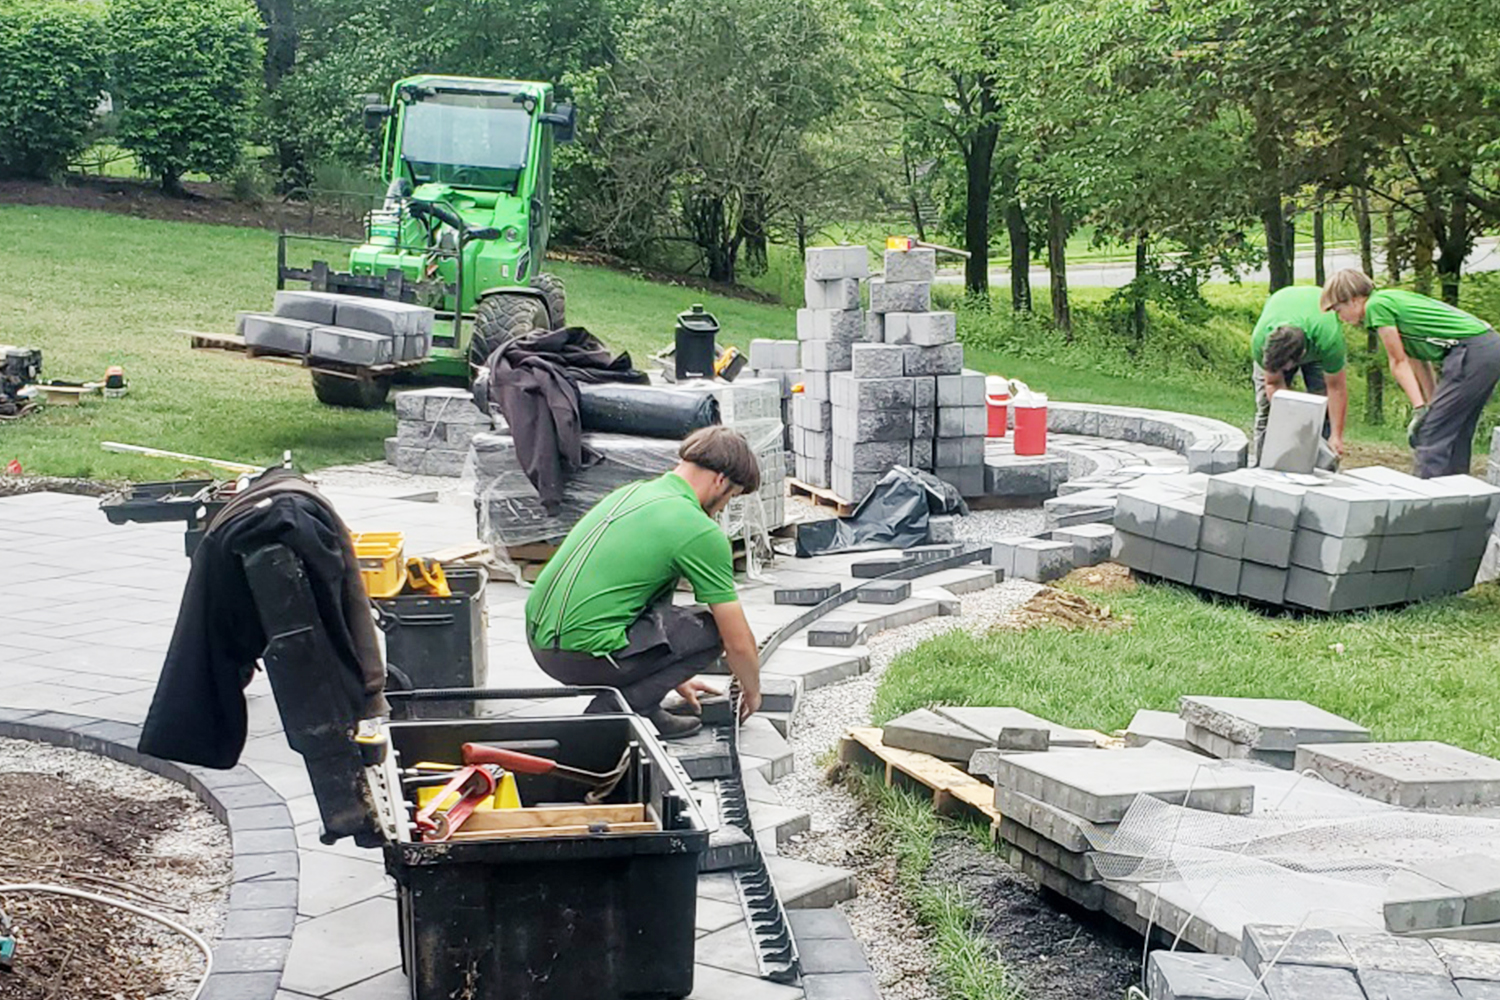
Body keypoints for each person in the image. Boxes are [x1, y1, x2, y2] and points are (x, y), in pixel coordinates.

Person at [524, 425, 763, 739]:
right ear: (720, 480)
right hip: (582, 657)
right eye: (731, 497)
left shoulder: (634, 493)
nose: (723, 508)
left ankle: (647, 706)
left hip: (541, 642)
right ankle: (615, 713)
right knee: (712, 628)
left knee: (667, 609)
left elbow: (645, 600)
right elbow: (738, 641)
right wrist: (753, 691)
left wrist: (668, 677)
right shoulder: (696, 528)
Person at [1321, 268, 1500, 478]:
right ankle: (1457, 496)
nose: (1340, 317)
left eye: (1338, 309)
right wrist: (1428, 404)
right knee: (1453, 431)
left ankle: (1425, 503)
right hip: (1486, 348)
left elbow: (1398, 362)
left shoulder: (1376, 307)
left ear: (1353, 300)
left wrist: (1420, 410)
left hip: (1472, 352)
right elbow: (1418, 360)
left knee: (1430, 434)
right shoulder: (1390, 299)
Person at [1251, 284, 1349, 462]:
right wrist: (1294, 420)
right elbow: (1272, 384)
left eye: (1287, 366)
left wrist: (1336, 435)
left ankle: (1322, 465)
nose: (1286, 371)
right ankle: (1262, 465)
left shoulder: (1329, 339)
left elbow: (1336, 388)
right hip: (1282, 315)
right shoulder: (1261, 342)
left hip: (1317, 337)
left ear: (1302, 355)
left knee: (1323, 406)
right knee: (1268, 411)